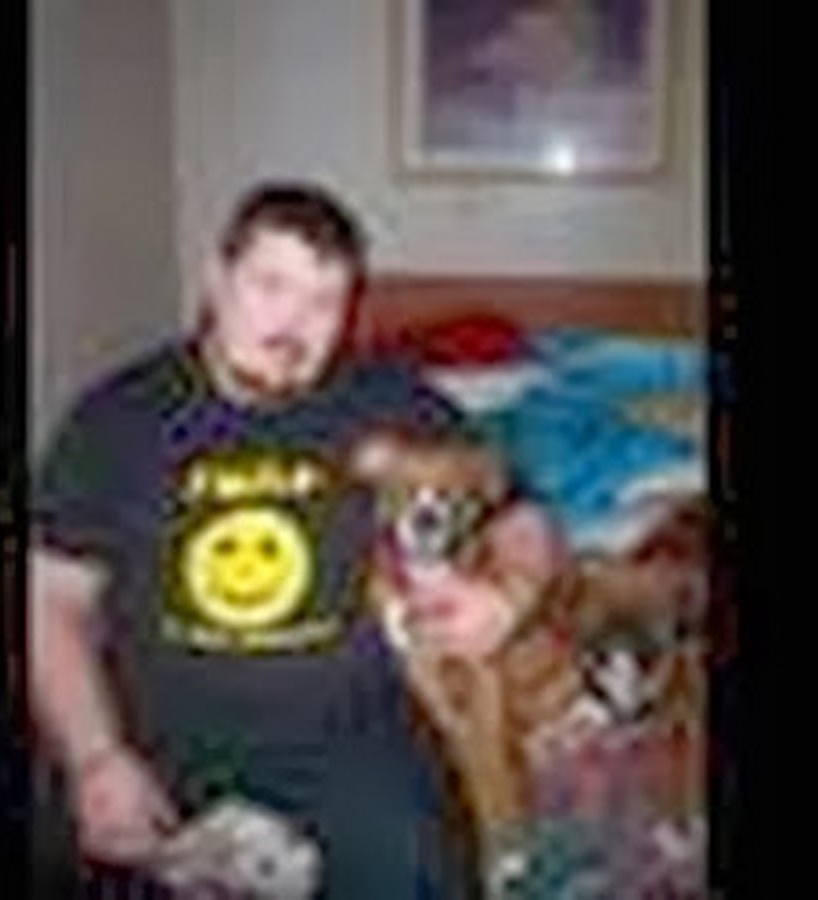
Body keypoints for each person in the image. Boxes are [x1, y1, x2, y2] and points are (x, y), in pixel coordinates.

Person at [29, 181, 562, 898]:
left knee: (421, 878)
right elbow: (50, 597)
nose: (293, 325)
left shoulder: (388, 397)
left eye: (324, 302)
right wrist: (95, 757)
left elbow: (522, 511)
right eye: (271, 286)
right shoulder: (116, 415)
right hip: (153, 725)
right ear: (217, 281)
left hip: (343, 730)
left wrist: (512, 597)